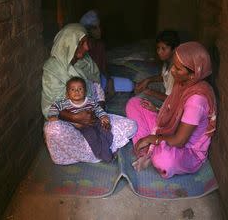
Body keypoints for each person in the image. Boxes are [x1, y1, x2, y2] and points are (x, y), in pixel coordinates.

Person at [42, 23, 136, 165]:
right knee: (52, 130)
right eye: (82, 43)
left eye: (87, 42)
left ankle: (82, 153)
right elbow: (50, 107)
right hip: (68, 122)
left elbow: (97, 90)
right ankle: (99, 152)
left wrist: (98, 114)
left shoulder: (86, 62)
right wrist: (75, 117)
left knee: (131, 126)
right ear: (69, 44)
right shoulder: (52, 69)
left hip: (92, 119)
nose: (87, 47)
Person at [125, 42, 217, 179]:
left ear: (193, 74)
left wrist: (151, 138)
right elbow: (173, 112)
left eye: (178, 69)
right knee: (134, 104)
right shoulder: (182, 84)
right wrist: (156, 110)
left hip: (186, 149)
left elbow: (180, 140)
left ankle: (151, 148)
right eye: (173, 65)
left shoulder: (197, 100)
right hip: (169, 131)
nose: (172, 71)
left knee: (164, 160)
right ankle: (147, 150)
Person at [47, 77, 114, 162]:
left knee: (106, 131)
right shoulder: (64, 103)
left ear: (85, 92)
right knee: (92, 136)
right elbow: (54, 107)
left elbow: (98, 109)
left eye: (80, 89)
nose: (77, 91)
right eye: (72, 89)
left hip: (95, 121)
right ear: (67, 94)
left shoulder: (90, 101)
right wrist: (53, 116)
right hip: (82, 127)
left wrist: (103, 117)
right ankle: (103, 155)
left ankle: (106, 149)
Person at [134, 30, 180, 111]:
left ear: (174, 50)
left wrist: (150, 92)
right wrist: (147, 80)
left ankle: (155, 114)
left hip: (170, 104)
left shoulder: (176, 70)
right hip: (165, 89)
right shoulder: (167, 61)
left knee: (139, 98)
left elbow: (171, 99)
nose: (159, 52)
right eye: (158, 48)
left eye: (163, 49)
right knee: (141, 82)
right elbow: (163, 77)